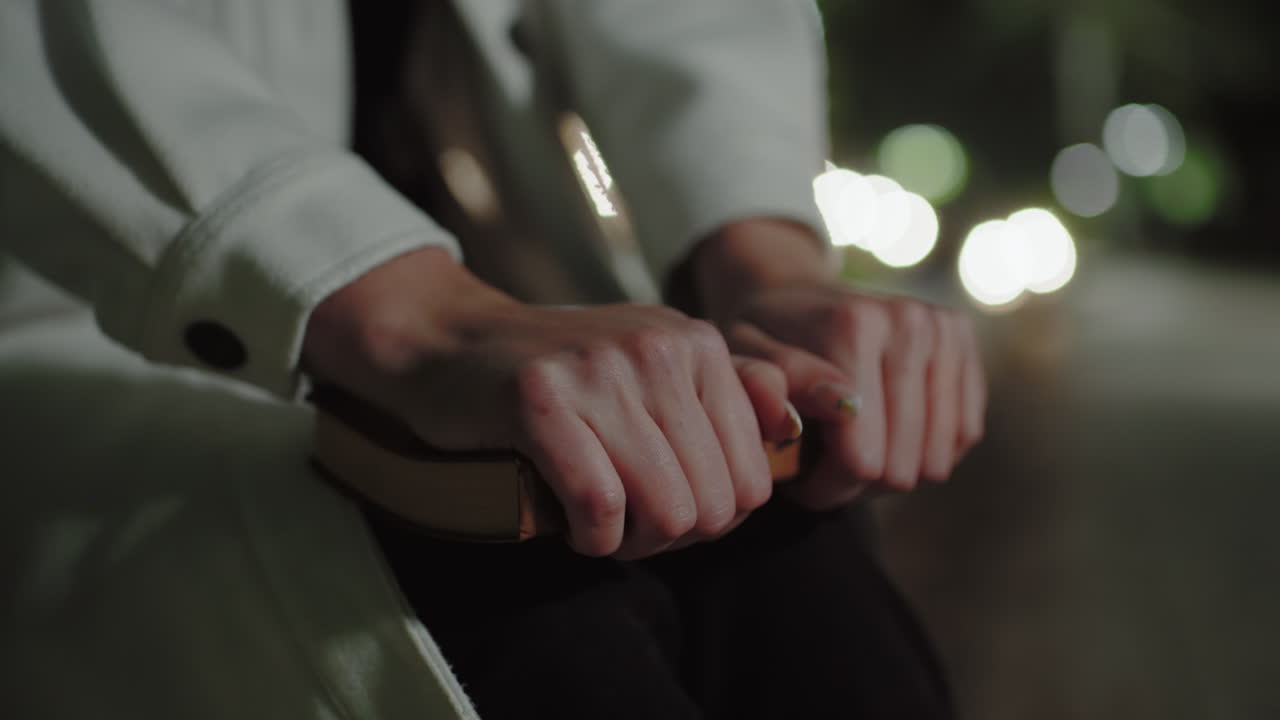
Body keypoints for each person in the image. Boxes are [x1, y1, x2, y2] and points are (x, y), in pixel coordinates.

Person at [0, 1, 985, 718]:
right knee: (521, 602)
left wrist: (760, 259)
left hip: (473, 286)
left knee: (780, 557)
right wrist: (420, 315)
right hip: (68, 324)